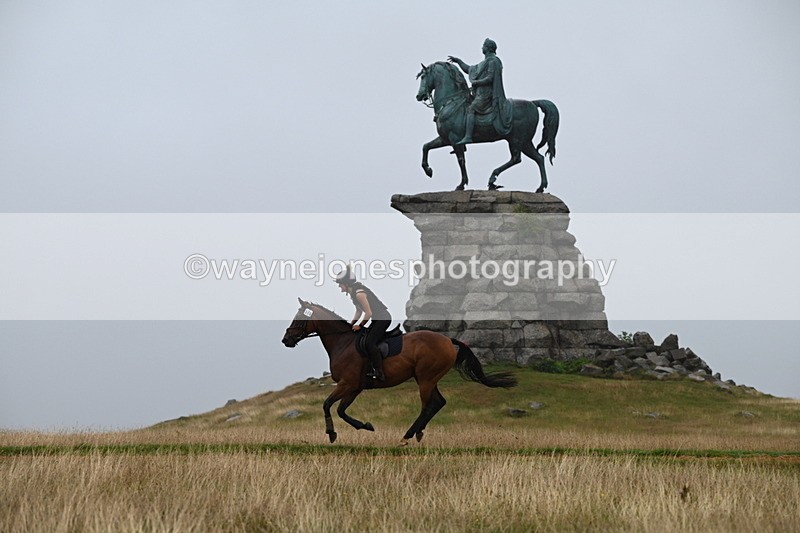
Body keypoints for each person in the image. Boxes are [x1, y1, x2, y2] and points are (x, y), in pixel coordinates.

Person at [448, 38, 514, 144]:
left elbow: (490, 78)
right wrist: (458, 61)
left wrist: (477, 83)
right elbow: (469, 69)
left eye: (483, 45)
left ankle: (468, 136)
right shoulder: (483, 63)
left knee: (471, 108)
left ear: (488, 48)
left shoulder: (493, 61)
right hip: (479, 94)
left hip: (487, 95)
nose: (482, 47)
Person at [335, 267, 391, 381]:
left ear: (346, 283)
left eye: (340, 284)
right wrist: (350, 325)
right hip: (377, 319)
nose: (339, 286)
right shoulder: (353, 293)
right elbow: (359, 311)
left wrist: (359, 325)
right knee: (363, 338)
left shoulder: (359, 293)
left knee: (370, 342)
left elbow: (368, 313)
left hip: (383, 319)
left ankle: (379, 372)